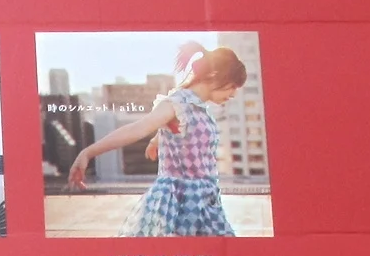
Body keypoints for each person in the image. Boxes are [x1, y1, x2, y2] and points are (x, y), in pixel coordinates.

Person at [66, 46, 249, 237]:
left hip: (206, 201)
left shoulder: (199, 108)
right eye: (233, 85)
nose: (234, 94)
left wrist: (156, 140)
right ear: (214, 74)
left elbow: (176, 130)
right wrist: (87, 153)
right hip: (181, 203)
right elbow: (137, 128)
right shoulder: (177, 104)